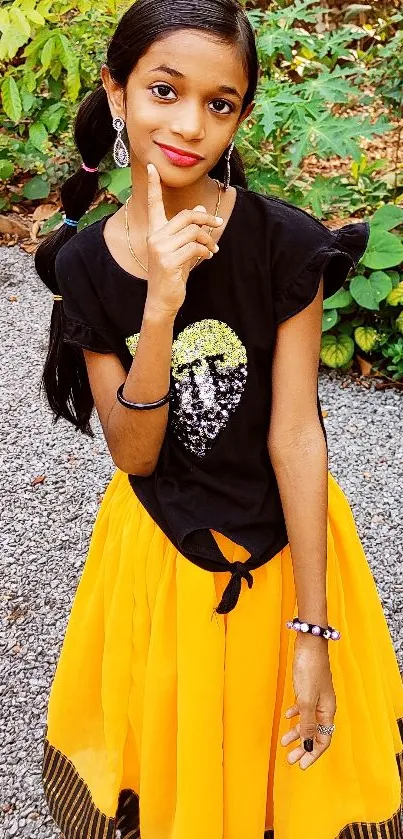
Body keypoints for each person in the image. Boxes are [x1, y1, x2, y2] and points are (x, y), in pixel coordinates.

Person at [35, 1, 403, 837]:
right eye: (164, 90)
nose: (190, 125)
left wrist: (312, 630)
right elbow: (134, 455)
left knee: (293, 764)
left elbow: (295, 433)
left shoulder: (286, 244)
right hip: (160, 560)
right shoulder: (85, 264)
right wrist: (159, 308)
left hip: (287, 557)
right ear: (117, 89)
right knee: (181, 758)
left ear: (239, 114)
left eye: (220, 103)